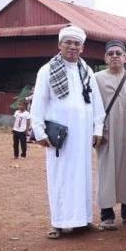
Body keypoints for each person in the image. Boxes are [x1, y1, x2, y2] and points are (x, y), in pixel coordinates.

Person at [30, 25, 105, 239]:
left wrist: (98, 127)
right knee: (59, 177)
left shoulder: (87, 70)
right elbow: (39, 103)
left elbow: (96, 103)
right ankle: (59, 223)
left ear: (82, 48)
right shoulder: (47, 70)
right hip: (59, 136)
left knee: (83, 176)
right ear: (59, 45)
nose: (72, 47)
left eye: (77, 44)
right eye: (68, 43)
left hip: (82, 136)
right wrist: (39, 131)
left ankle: (83, 220)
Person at [95, 40, 126, 229]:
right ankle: (107, 213)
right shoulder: (96, 79)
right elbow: (92, 108)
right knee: (106, 170)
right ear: (105, 58)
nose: (115, 56)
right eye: (110, 53)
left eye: (119, 53)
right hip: (107, 131)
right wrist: (96, 130)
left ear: (125, 57)